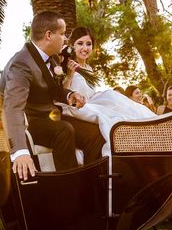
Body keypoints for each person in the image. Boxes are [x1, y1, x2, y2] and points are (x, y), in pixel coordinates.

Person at [0, 12, 104, 179]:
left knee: (95, 133)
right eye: (62, 34)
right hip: (31, 122)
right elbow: (12, 108)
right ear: (49, 35)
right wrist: (19, 151)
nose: (65, 39)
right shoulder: (21, 63)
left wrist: (70, 95)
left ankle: (91, 184)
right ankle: (68, 189)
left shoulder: (52, 59)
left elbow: (54, 89)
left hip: (52, 116)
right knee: (64, 130)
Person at [60, 27, 155, 155]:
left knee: (121, 103)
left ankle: (152, 125)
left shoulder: (88, 68)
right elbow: (62, 92)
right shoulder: (65, 66)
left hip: (91, 103)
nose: (85, 48)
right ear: (73, 46)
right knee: (112, 117)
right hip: (77, 107)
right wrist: (70, 74)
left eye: (89, 44)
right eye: (80, 43)